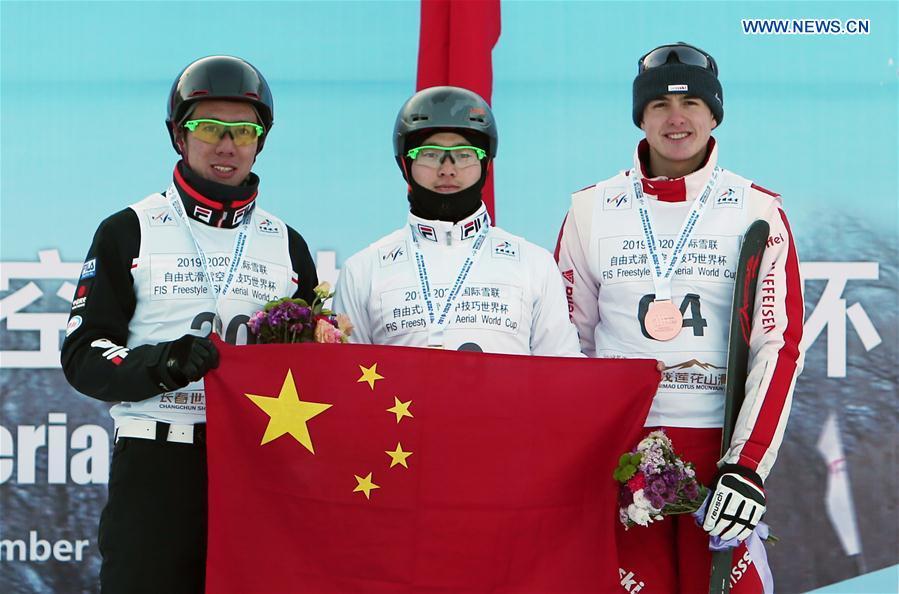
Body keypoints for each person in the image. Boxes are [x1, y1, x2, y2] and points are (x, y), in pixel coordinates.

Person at [60, 55, 318, 593]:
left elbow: (315, 367)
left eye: (244, 130)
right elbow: (83, 353)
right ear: (179, 135)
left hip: (257, 466)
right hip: (157, 464)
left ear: (260, 140)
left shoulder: (286, 244)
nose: (226, 144)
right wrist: (161, 363)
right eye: (207, 127)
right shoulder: (130, 229)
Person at [555, 43, 804, 593]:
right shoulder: (591, 209)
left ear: (714, 114)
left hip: (718, 450)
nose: (676, 118)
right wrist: (581, 457)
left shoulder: (757, 209)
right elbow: (566, 344)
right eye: (659, 106)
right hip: (621, 453)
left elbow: (777, 347)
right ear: (640, 117)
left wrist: (747, 466)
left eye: (692, 102)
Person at [334, 86, 580, 356]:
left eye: (464, 154)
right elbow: (348, 387)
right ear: (405, 164)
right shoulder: (363, 271)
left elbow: (561, 377)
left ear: (487, 164)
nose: (447, 169)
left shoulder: (533, 264)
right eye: (429, 154)